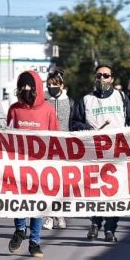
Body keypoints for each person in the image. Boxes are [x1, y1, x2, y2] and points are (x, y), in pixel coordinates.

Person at [71, 64, 130, 242]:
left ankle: (110, 229)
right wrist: (87, 129)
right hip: (95, 154)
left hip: (118, 153)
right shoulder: (86, 100)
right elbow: (75, 123)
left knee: (116, 193)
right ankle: (95, 222)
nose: (102, 79)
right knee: (95, 191)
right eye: (99, 76)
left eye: (105, 76)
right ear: (95, 78)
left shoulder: (121, 98)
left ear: (112, 79)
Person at [6, 70, 59, 257]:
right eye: (23, 87)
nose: (26, 90)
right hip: (19, 164)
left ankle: (35, 242)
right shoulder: (15, 109)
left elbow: (56, 137)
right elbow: (8, 135)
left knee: (38, 204)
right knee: (19, 200)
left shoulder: (48, 109)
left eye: (30, 87)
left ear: (37, 88)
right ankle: (20, 229)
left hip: (41, 166)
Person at [42, 68, 73, 230]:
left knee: (60, 182)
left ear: (62, 85)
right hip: (46, 147)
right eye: (49, 85)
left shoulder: (70, 102)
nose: (51, 87)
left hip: (64, 148)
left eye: (55, 84)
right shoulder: (43, 101)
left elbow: (74, 124)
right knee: (47, 182)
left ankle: (59, 213)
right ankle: (47, 215)